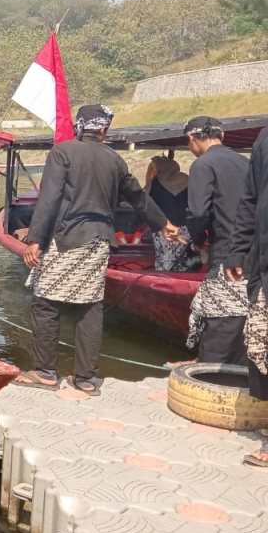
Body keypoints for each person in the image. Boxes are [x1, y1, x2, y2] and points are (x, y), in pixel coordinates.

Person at [16, 104, 178, 396]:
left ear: (80, 127)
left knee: (45, 303)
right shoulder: (114, 159)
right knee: (90, 306)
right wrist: (163, 223)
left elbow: (50, 198)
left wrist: (34, 239)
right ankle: (86, 379)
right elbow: (138, 197)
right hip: (100, 240)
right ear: (104, 129)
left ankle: (45, 372)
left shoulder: (63, 152)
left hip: (67, 238)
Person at [184, 117, 251, 364]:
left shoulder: (204, 164)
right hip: (253, 249)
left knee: (220, 314)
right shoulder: (245, 163)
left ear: (192, 139)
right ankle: (242, 374)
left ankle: (212, 377)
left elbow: (198, 212)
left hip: (227, 249)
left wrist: (197, 240)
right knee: (246, 313)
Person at [225, 127, 268, 467]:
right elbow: (251, 199)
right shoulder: (265, 138)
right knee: (261, 344)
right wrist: (237, 250)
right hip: (264, 260)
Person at [146, 153, 197, 272]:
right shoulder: (187, 180)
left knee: (165, 261)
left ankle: (165, 283)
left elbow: (146, 204)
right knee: (184, 260)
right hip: (186, 228)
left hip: (164, 229)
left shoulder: (154, 184)